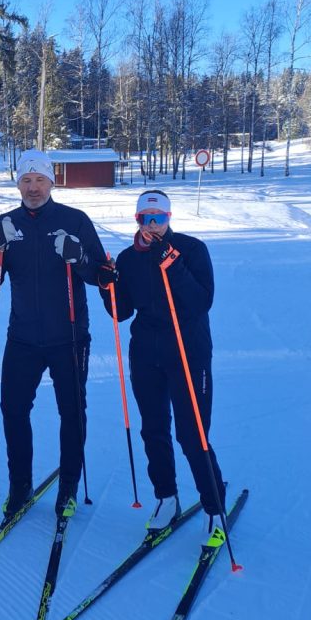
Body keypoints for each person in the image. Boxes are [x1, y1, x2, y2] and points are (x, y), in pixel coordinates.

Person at [0, 149, 109, 520]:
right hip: (22, 338)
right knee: (13, 410)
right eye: (26, 180)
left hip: (69, 336)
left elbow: (100, 275)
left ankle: (68, 487)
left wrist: (78, 256)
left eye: (39, 180)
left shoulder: (75, 220)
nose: (32, 187)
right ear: (17, 183)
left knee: (72, 413)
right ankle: (20, 486)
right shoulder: (3, 222)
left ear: (52, 181)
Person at [99, 189, 225, 529]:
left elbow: (201, 302)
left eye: (159, 218)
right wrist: (105, 285)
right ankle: (166, 497)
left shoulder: (192, 249)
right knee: (153, 428)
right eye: (145, 218)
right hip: (146, 352)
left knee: (193, 433)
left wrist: (173, 265)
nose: (152, 225)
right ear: (137, 219)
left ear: (169, 218)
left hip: (188, 350)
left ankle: (214, 506)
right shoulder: (127, 259)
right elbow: (121, 312)